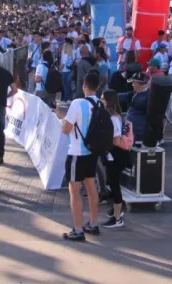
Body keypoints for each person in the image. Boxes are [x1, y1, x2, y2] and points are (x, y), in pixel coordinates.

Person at [57, 70, 103, 242]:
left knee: (75, 192)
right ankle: (93, 223)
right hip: (92, 152)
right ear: (97, 86)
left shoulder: (77, 103)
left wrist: (63, 119)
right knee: (91, 188)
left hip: (77, 153)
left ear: (84, 85)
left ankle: (77, 229)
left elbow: (66, 129)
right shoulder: (100, 104)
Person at [101, 89, 132, 229]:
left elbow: (116, 140)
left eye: (103, 99)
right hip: (114, 155)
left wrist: (104, 141)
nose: (101, 101)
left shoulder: (113, 119)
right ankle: (116, 209)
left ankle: (117, 218)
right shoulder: (113, 117)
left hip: (116, 155)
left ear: (109, 101)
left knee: (114, 184)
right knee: (112, 183)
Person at [118, 72, 150, 142]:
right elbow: (123, 96)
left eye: (134, 82)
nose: (132, 85)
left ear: (140, 84)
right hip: (129, 128)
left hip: (137, 131)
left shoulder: (148, 97)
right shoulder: (135, 93)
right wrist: (110, 95)